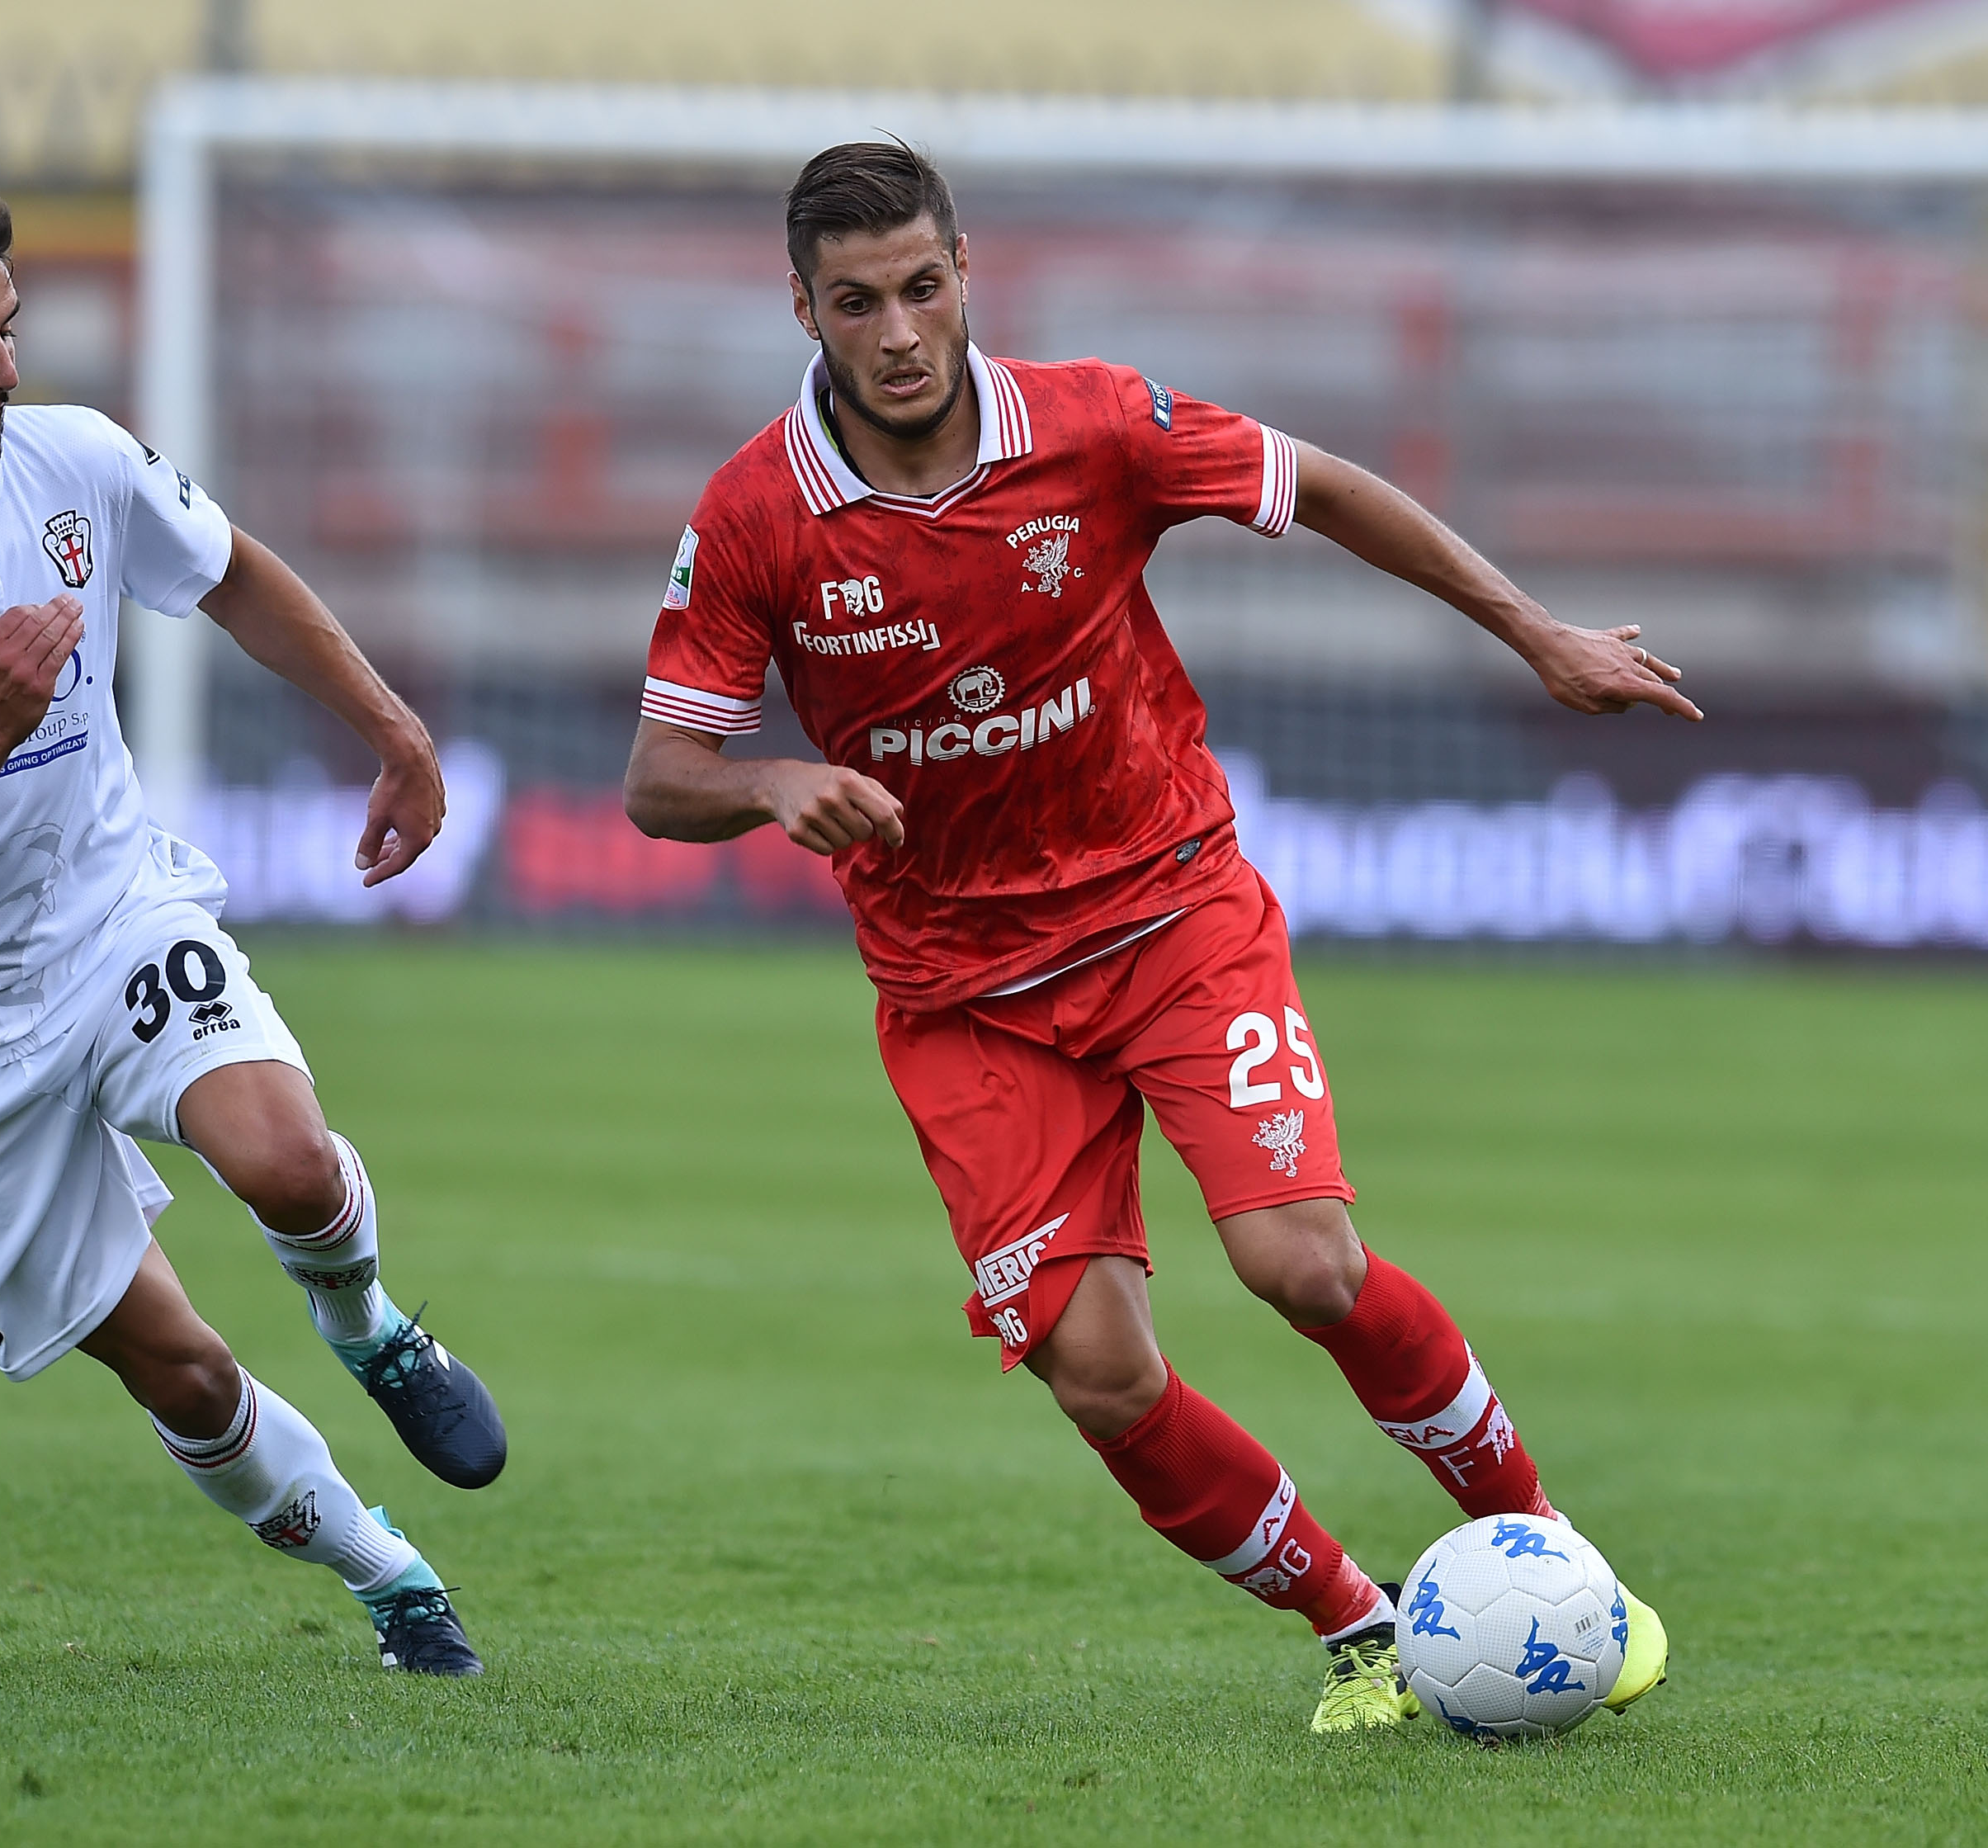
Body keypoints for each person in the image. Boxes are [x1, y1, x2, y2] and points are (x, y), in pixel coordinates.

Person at [626, 141, 1677, 1731]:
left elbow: (1317, 483)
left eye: (922, 287)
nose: (899, 331)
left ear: (967, 272)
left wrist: (1534, 629)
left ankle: (1545, 1546)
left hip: (1169, 902)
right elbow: (659, 774)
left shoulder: (1099, 422)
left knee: (1300, 1261)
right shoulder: (760, 514)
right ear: (804, 308)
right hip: (962, 992)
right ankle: (1363, 1627)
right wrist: (771, 780)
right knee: (1099, 1370)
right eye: (858, 302)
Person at [0, 181, 505, 1674]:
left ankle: (369, 1325)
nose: (1, 369)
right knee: (188, 1369)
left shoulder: (73, 460)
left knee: (283, 1156)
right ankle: (389, 1572)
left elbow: (235, 576)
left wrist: (393, 729)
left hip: (106, 912)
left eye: (7, 332)